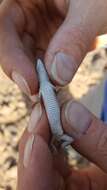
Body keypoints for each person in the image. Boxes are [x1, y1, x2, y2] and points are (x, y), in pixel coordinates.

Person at [0, 0, 107, 189]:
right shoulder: (44, 83)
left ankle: (63, 146)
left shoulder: (44, 84)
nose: (40, 66)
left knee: (67, 128)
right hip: (64, 121)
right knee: (65, 128)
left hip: (64, 121)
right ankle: (63, 146)